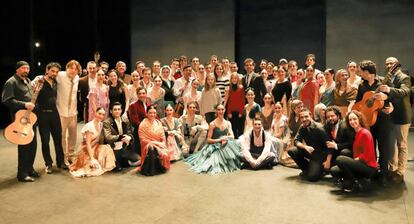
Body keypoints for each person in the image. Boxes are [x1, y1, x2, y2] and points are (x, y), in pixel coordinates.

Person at [356, 60, 394, 186]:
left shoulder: (384, 82)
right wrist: (361, 108)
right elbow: (358, 102)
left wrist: (386, 98)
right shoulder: (362, 85)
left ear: (367, 72)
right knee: (370, 149)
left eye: (361, 71)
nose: (359, 73)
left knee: (384, 149)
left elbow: (393, 97)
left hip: (382, 121)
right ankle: (371, 173)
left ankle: (383, 175)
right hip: (367, 121)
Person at [2, 61, 40, 182]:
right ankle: (22, 173)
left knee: (33, 143)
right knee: (24, 145)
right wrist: (24, 104)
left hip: (31, 118)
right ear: (17, 69)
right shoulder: (11, 82)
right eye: (23, 68)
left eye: (28, 68)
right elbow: (7, 100)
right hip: (20, 119)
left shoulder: (28, 81)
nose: (26, 70)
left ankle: (30, 169)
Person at [379, 57, 411, 183]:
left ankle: (400, 172)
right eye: (387, 63)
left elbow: (404, 91)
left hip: (402, 116)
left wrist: (388, 90)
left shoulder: (404, 78)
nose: (389, 65)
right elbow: (388, 98)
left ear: (397, 65)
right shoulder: (387, 79)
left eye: (391, 63)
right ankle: (393, 168)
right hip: (390, 116)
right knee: (392, 145)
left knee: (401, 145)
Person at [330, 110, 378, 192]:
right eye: (350, 120)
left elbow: (368, 155)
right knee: (334, 170)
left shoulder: (365, 133)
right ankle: (356, 179)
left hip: (369, 167)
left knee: (340, 159)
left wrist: (357, 159)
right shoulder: (355, 132)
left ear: (359, 119)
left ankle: (354, 182)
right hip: (360, 163)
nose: (352, 121)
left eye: (354, 119)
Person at [186, 104, 242, 174]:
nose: (221, 111)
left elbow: (232, 136)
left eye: (222, 109)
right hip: (215, 146)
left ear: (224, 110)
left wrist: (225, 138)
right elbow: (208, 140)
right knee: (213, 163)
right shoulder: (212, 124)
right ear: (216, 111)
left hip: (226, 144)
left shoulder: (228, 123)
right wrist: (220, 140)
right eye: (219, 110)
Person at [33, 62, 67, 174]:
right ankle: (48, 164)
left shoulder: (57, 82)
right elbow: (33, 95)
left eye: (56, 72)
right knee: (45, 140)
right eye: (52, 71)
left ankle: (60, 162)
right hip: (42, 115)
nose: (54, 73)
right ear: (47, 70)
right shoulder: (39, 81)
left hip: (55, 114)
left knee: (58, 139)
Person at [69, 107, 116, 177]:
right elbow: (88, 144)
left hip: (96, 146)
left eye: (103, 115)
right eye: (99, 114)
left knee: (107, 149)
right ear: (95, 113)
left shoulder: (100, 124)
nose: (101, 116)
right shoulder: (89, 126)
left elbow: (99, 139)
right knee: (91, 167)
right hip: (87, 149)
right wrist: (92, 158)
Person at [288, 108, 329, 182]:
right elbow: (296, 141)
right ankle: (307, 169)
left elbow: (329, 146)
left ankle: (320, 170)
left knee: (312, 177)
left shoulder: (320, 128)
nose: (304, 119)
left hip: (320, 155)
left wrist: (327, 161)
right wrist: (305, 147)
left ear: (311, 116)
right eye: (302, 117)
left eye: (306, 116)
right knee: (292, 151)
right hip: (310, 151)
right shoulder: (302, 127)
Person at [103, 102, 140, 172]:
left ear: (121, 110)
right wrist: (121, 137)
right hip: (113, 148)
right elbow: (108, 137)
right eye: (115, 109)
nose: (117, 111)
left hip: (124, 147)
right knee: (117, 168)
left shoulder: (125, 120)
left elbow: (130, 133)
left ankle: (123, 161)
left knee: (138, 159)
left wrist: (129, 137)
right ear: (111, 111)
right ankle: (119, 162)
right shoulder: (107, 122)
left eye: (119, 109)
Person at [56, 60, 81, 165]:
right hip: (61, 112)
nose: (73, 70)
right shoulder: (60, 75)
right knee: (62, 136)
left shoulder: (77, 78)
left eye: (75, 69)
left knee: (73, 136)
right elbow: (47, 77)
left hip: (73, 112)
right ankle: (64, 157)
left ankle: (71, 155)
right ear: (67, 67)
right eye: (71, 68)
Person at [138, 106, 171, 176]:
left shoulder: (158, 123)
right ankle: (151, 170)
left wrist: (162, 143)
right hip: (148, 145)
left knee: (164, 152)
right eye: (150, 113)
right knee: (151, 148)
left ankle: (160, 168)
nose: (152, 115)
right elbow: (143, 139)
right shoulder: (143, 124)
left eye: (154, 113)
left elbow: (163, 137)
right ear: (146, 114)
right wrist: (156, 143)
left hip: (160, 145)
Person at [323, 106, 354, 171]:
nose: (330, 118)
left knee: (345, 152)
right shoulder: (327, 125)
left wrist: (336, 146)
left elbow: (351, 143)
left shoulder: (345, 126)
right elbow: (329, 143)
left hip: (347, 151)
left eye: (332, 116)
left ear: (338, 116)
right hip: (334, 151)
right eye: (328, 117)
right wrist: (328, 161)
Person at [129, 87, 151, 155]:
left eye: (143, 93)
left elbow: (154, 115)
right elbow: (134, 121)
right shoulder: (133, 106)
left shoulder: (148, 104)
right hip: (140, 130)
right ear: (137, 95)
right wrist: (145, 127)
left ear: (146, 94)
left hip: (150, 128)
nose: (142, 95)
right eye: (140, 93)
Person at [271, 102, 293, 167]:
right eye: (276, 108)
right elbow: (272, 130)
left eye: (279, 108)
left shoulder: (283, 119)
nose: (277, 109)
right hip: (274, 137)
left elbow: (280, 134)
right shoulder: (274, 118)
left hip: (281, 139)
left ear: (282, 109)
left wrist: (270, 137)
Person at [225, 72, 245, 138]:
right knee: (233, 129)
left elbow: (242, 101)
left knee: (240, 129)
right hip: (232, 112)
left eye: (235, 78)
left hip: (239, 112)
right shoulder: (229, 89)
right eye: (233, 78)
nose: (234, 79)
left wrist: (241, 112)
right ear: (231, 79)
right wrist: (229, 112)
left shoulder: (241, 88)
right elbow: (229, 101)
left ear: (238, 79)